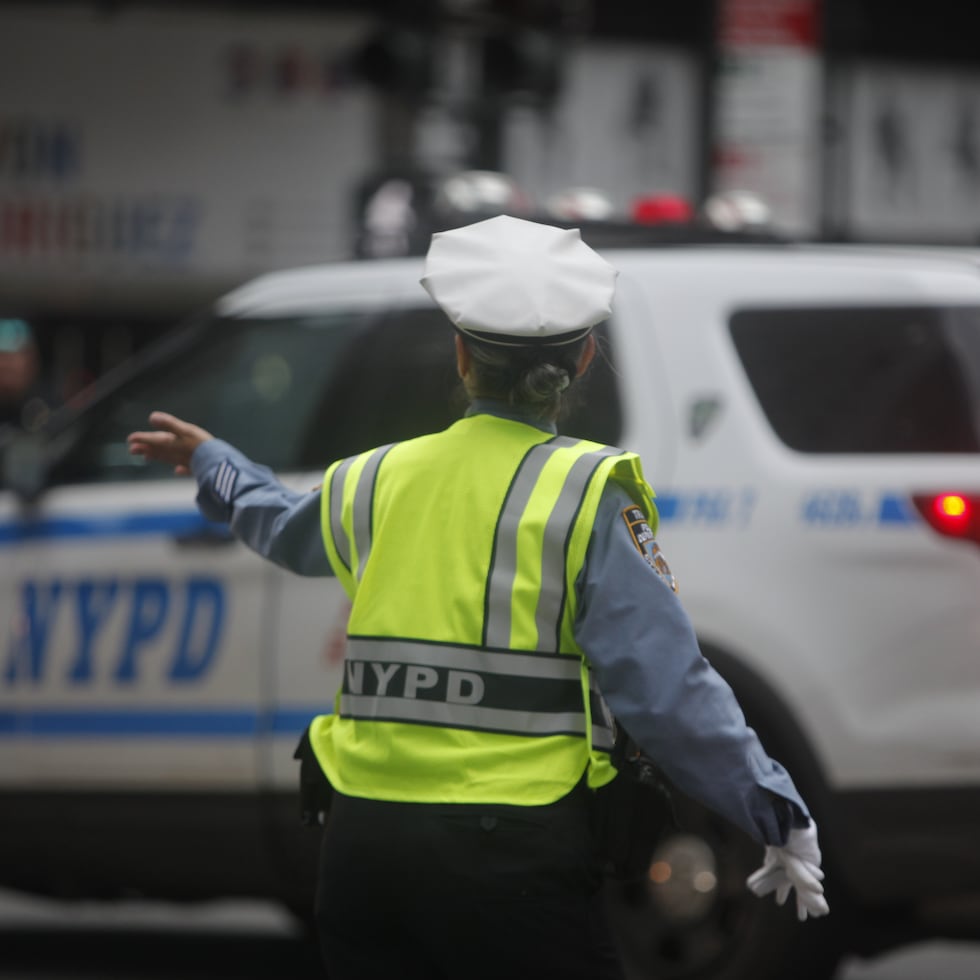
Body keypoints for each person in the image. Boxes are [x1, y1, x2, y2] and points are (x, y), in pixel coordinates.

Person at [127, 215, 828, 979]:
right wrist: (774, 809)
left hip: (362, 851)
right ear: (585, 357)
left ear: (461, 355)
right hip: (511, 857)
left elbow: (277, 524)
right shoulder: (586, 494)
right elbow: (665, 690)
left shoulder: (372, 478)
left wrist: (214, 461)